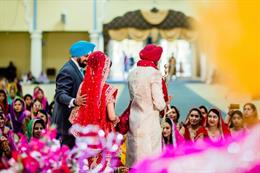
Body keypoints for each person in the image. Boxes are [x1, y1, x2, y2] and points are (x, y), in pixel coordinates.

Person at [126, 44, 168, 167]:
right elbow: (159, 104)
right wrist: (165, 102)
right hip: (149, 121)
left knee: (135, 155)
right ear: (155, 58)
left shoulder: (132, 73)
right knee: (150, 158)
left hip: (134, 119)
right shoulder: (154, 73)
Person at [52, 40, 95, 149]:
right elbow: (60, 95)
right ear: (77, 55)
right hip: (66, 123)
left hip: (73, 122)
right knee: (67, 155)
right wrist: (75, 101)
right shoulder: (67, 70)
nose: (87, 59)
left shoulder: (77, 69)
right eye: (86, 56)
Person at [69, 51, 119, 135]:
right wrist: (117, 119)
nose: (108, 69)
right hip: (102, 132)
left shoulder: (83, 85)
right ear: (103, 68)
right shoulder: (108, 89)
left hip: (85, 130)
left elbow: (79, 106)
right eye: (107, 67)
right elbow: (111, 116)